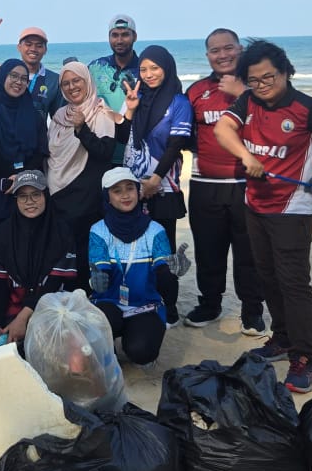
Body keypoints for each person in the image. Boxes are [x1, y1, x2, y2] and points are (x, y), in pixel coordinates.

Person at [214, 39, 312, 394]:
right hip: (255, 204)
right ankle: (281, 338)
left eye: (269, 77)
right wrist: (246, 156)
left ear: (285, 72)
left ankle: (305, 355)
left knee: (293, 283)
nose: (262, 85)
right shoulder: (247, 101)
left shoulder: (306, 107)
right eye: (254, 80)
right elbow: (223, 129)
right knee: (267, 275)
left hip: (292, 209)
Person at [184, 29, 265, 333]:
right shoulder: (197, 91)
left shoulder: (256, 87)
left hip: (247, 183)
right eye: (215, 51)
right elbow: (184, 133)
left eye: (228, 48)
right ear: (207, 56)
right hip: (205, 184)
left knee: (249, 252)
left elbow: (270, 123)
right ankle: (210, 305)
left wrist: (242, 91)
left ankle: (252, 311)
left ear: (240, 49)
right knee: (208, 251)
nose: (222, 55)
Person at [123, 45, 193, 325]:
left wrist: (155, 180)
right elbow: (125, 138)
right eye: (143, 69)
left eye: (155, 68)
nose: (148, 74)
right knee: (136, 249)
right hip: (134, 190)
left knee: (163, 251)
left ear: (167, 68)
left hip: (163, 190)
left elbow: (176, 145)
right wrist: (130, 110)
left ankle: (170, 307)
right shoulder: (137, 99)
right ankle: (143, 300)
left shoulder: (179, 102)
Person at [46, 62, 131, 289]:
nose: (71, 87)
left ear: (87, 81)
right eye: (66, 83)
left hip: (85, 198)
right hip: (58, 194)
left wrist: (82, 129)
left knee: (83, 255)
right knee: (63, 252)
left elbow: (104, 152)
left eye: (77, 80)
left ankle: (84, 296)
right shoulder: (60, 116)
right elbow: (52, 153)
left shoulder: (100, 112)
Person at [88, 167, 175, 368]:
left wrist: (171, 272)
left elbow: (163, 272)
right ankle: (111, 341)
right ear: (107, 197)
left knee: (141, 352)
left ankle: (134, 335)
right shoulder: (98, 230)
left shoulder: (155, 230)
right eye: (117, 191)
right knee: (100, 330)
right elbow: (100, 275)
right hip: (108, 302)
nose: (125, 195)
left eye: (130, 188)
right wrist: (97, 280)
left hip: (145, 305)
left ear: (138, 192)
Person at [0, 171, 78, 346]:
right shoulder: (1, 234)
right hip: (13, 309)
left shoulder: (62, 232)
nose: (30, 201)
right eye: (23, 196)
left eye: (36, 194)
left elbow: (54, 284)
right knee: (4, 351)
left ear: (46, 196)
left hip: (53, 309)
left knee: (51, 352)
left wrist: (24, 318)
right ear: (16, 200)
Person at [0, 58, 48, 252]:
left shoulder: (33, 112)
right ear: (2, 77)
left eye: (24, 78)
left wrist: (22, 177)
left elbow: (41, 151)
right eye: (13, 76)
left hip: (28, 189)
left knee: (29, 250)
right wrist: (13, 175)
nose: (18, 82)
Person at [88, 14, 141, 112]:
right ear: (109, 37)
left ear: (135, 37)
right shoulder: (96, 67)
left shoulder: (143, 70)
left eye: (125, 35)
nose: (119, 41)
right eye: (115, 35)